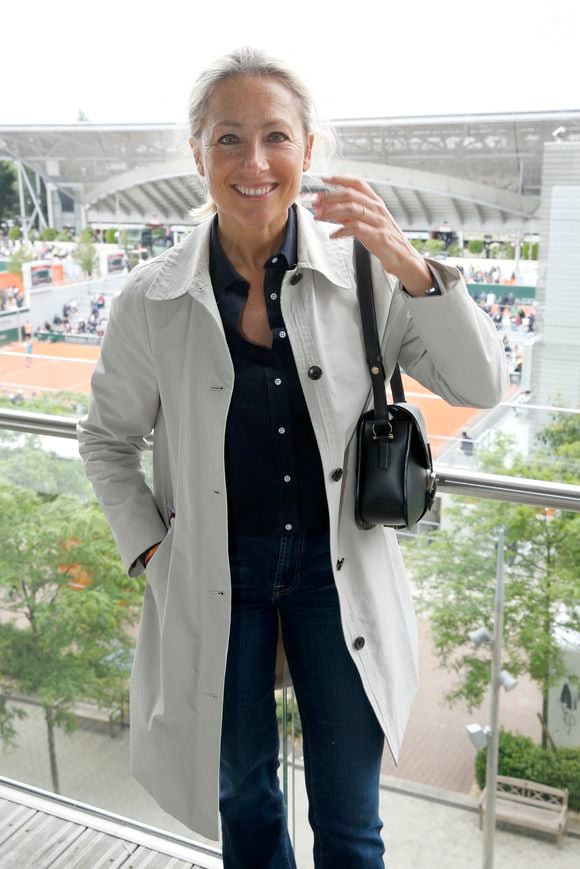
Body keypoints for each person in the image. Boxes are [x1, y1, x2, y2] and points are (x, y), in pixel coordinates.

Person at [76, 47, 508, 867]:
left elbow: (481, 382)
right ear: (197, 154)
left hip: (335, 572)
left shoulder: (366, 275)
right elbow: (105, 438)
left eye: (276, 136)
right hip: (216, 573)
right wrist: (155, 550)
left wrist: (411, 264)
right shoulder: (151, 298)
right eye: (228, 139)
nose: (254, 162)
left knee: (350, 821)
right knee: (244, 801)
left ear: (308, 148)